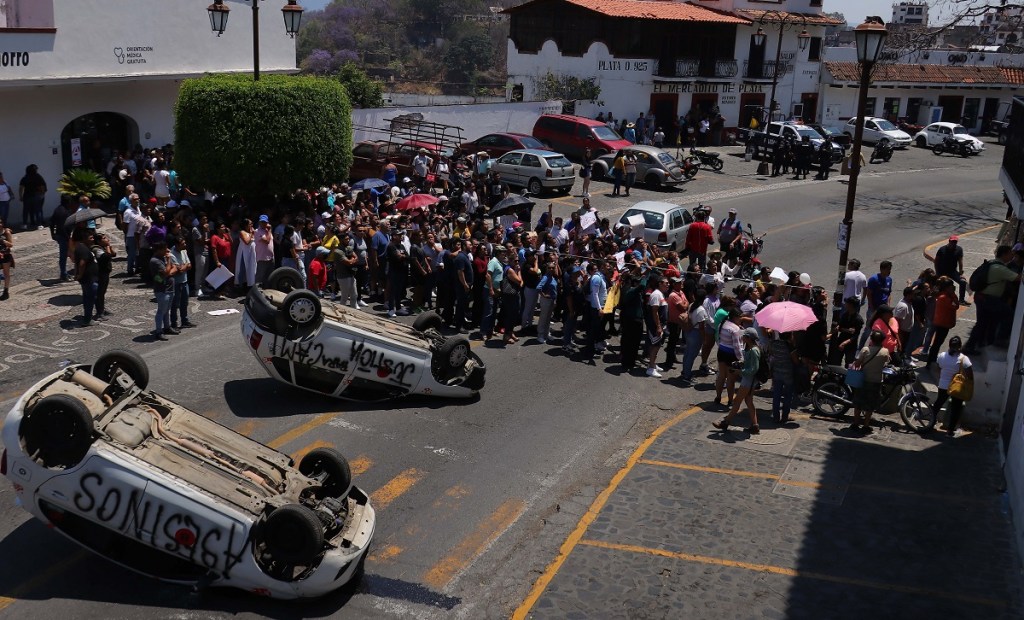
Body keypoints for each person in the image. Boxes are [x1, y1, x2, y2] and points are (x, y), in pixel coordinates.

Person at [713, 328, 762, 434]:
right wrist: (740, 363)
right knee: (749, 402)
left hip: (748, 380)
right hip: (749, 380)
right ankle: (755, 425)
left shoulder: (754, 351)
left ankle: (726, 422)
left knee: (737, 401)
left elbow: (753, 369)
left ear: (748, 338)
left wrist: (739, 371)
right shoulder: (750, 348)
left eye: (744, 336)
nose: (742, 337)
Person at [847, 330, 892, 434]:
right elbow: (887, 361)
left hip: (863, 379)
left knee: (858, 402)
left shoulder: (865, 350)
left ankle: (856, 423)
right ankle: (866, 425)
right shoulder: (885, 352)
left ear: (871, 339)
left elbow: (857, 364)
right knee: (870, 404)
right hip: (876, 381)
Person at [932, 336, 973, 438]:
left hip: (943, 385)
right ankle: (950, 431)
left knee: (938, 404)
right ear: (960, 346)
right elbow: (970, 375)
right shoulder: (964, 359)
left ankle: (931, 423)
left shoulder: (941, 356)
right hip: (956, 388)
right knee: (956, 409)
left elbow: (938, 369)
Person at [150, 241, 181, 340]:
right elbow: (167, 271)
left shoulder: (162, 258)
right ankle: (159, 331)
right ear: (159, 250)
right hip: (162, 290)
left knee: (167, 310)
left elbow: (175, 268)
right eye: (165, 249)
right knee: (161, 311)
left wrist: (169, 271)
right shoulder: (155, 261)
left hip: (169, 288)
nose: (167, 251)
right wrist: (168, 262)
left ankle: (167, 327)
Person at [926, 279, 959, 366]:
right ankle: (931, 361)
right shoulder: (944, 297)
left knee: (937, 343)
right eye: (951, 286)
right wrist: (953, 294)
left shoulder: (944, 296)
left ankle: (932, 360)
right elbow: (956, 305)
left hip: (943, 322)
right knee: (937, 343)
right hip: (943, 323)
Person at [715, 307, 744, 407]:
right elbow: (737, 347)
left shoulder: (722, 324)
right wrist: (741, 359)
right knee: (731, 379)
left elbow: (719, 338)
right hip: (731, 355)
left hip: (721, 351)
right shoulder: (735, 329)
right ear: (735, 317)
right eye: (740, 317)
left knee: (721, 376)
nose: (742, 319)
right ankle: (730, 401)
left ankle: (718, 397)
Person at [930, 234, 969, 305]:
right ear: (949, 241)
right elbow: (936, 261)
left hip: (952, 271)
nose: (953, 243)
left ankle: (961, 300)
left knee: (963, 282)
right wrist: (937, 272)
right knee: (939, 285)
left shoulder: (959, 249)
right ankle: (935, 299)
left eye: (955, 242)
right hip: (942, 271)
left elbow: (960, 262)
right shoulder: (942, 249)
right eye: (952, 242)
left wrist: (960, 274)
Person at [769, 330, 798, 423]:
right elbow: (796, 361)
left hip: (777, 372)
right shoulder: (790, 346)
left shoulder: (774, 344)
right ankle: (785, 416)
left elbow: (772, 355)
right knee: (788, 395)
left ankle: (776, 416)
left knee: (776, 395)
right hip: (788, 374)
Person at [828, 297, 865, 365]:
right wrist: (846, 330)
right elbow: (840, 327)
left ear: (851, 305)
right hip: (841, 340)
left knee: (849, 364)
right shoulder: (845, 315)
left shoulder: (858, 320)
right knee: (836, 362)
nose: (845, 304)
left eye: (847, 303)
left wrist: (844, 343)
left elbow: (855, 335)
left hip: (851, 345)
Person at [645, 277, 670, 378]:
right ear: (659, 283)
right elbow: (654, 311)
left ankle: (653, 364)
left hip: (661, 325)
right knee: (654, 346)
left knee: (658, 345)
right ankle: (650, 368)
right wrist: (658, 326)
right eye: (666, 283)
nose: (668, 285)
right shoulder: (656, 294)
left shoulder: (660, 294)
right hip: (655, 326)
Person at [73, 229, 98, 327]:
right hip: (89, 279)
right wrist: (79, 274)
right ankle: (87, 319)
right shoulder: (83, 249)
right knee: (89, 299)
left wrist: (77, 274)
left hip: (88, 278)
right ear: (84, 239)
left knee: (88, 298)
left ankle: (87, 318)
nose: (92, 239)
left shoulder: (81, 247)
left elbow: (76, 262)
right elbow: (82, 263)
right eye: (90, 238)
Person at [169, 234, 193, 329]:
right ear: (177, 245)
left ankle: (184, 321)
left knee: (185, 302)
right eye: (183, 243)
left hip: (184, 281)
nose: (185, 245)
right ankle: (174, 323)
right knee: (175, 304)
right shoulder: (172, 254)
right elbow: (179, 270)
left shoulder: (184, 251)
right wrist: (185, 266)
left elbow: (189, 265)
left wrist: (184, 266)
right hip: (176, 283)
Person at [92, 232, 115, 320]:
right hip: (101, 274)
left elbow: (113, 254)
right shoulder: (97, 249)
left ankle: (102, 309)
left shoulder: (103, 247)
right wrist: (108, 247)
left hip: (106, 273)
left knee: (103, 292)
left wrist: (109, 247)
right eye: (104, 238)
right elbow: (107, 257)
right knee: (100, 293)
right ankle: (99, 313)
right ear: (99, 241)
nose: (107, 239)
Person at [536, 258, 559, 344]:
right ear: (546, 268)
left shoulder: (552, 277)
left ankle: (546, 333)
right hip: (546, 300)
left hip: (552, 300)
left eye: (553, 268)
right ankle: (540, 335)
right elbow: (538, 287)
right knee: (543, 318)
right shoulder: (545, 277)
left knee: (548, 318)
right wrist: (544, 295)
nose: (551, 269)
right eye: (549, 268)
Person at [18, 164, 46, 230]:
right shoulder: (38, 177)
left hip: (27, 196)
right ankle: (39, 225)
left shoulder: (25, 178)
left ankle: (25, 224)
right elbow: (42, 187)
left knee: (25, 211)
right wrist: (42, 194)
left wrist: (21, 196)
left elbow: (21, 188)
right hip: (36, 196)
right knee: (38, 210)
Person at [235, 218, 257, 293]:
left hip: (251, 254)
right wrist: (251, 234)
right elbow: (247, 242)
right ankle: (241, 286)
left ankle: (250, 284)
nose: (251, 225)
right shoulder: (242, 232)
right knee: (243, 270)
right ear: (245, 225)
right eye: (250, 224)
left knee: (251, 269)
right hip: (244, 254)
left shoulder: (251, 232)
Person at [0, 216, 12, 300]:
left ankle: (6, 291)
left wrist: (3, 241)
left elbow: (11, 244)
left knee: (6, 273)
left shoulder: (6, 232)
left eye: (0, 222)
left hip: (5, 255)